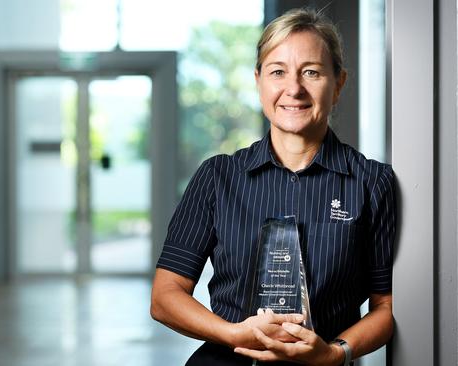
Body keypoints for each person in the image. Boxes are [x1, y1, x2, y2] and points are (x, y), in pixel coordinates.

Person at [151, 7, 396, 366]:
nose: (293, 89)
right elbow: (165, 296)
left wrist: (335, 353)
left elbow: (386, 307)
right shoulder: (217, 178)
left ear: (339, 83)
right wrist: (232, 333)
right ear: (259, 81)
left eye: (311, 72)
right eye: (278, 72)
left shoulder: (373, 183)